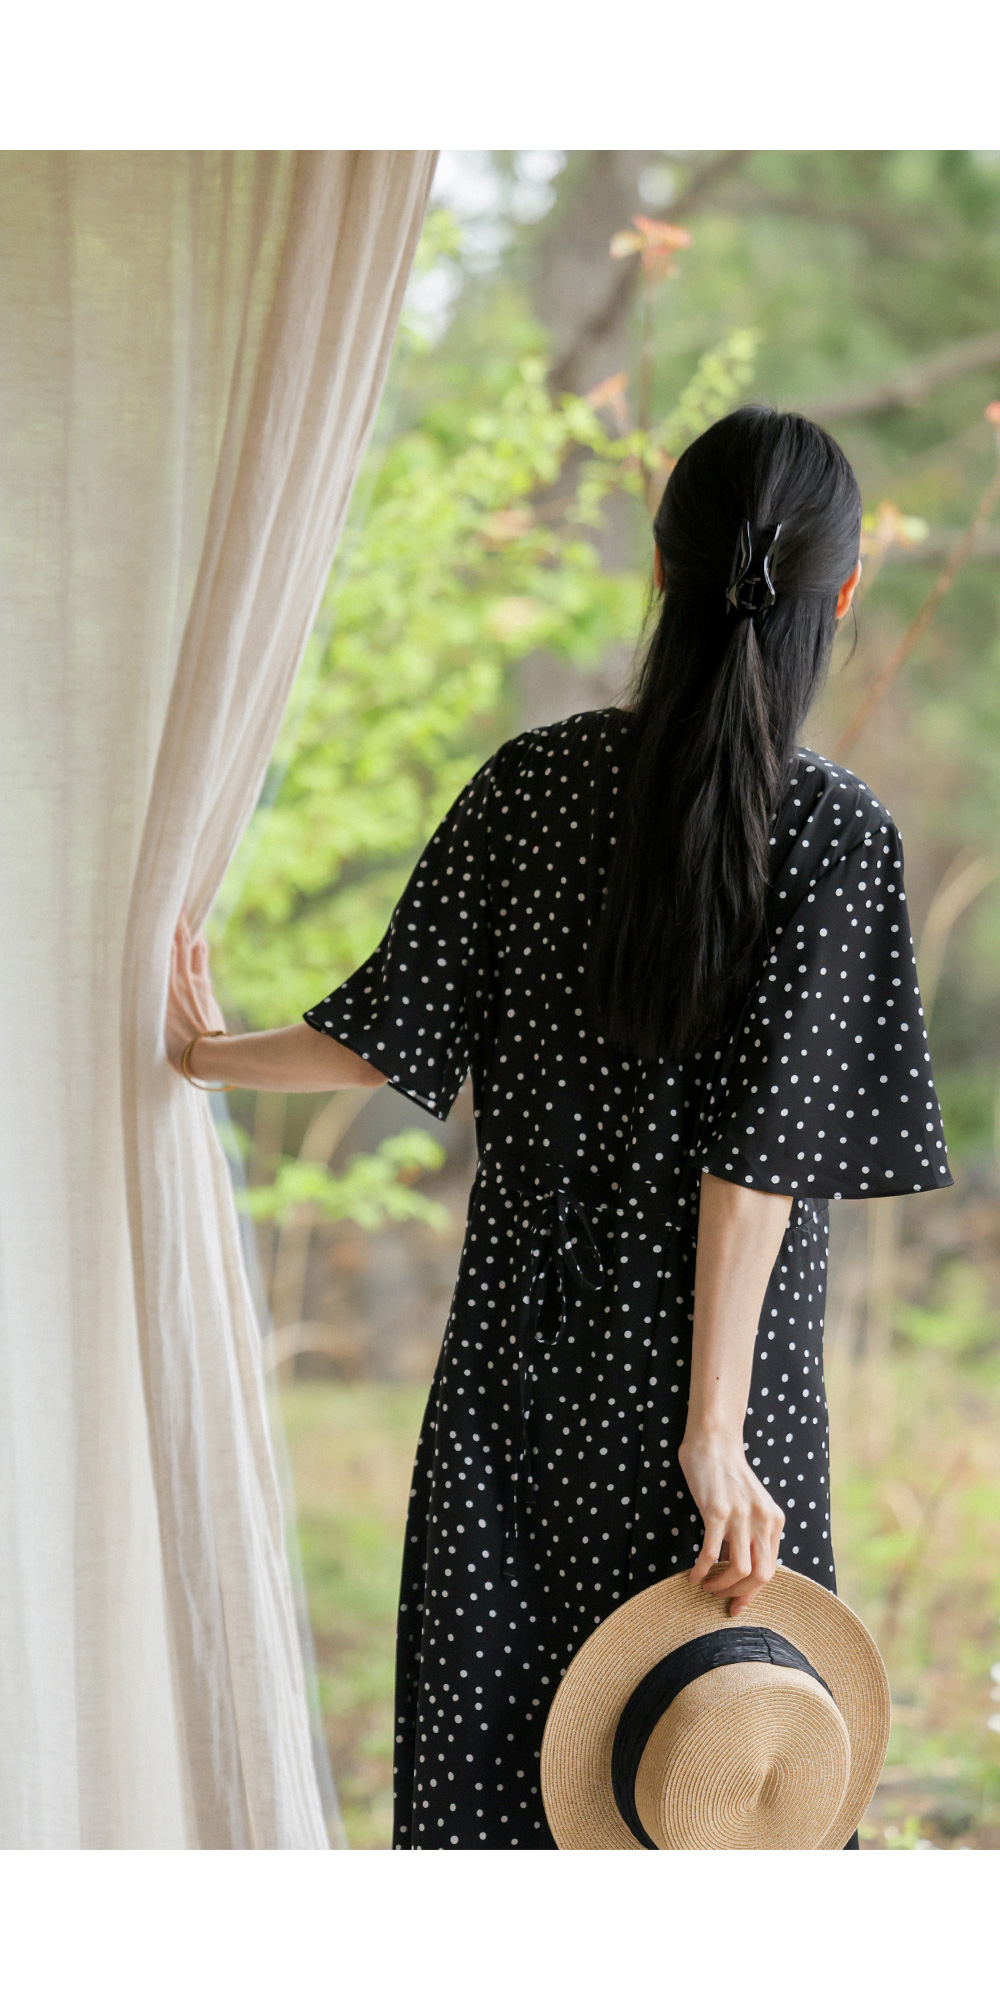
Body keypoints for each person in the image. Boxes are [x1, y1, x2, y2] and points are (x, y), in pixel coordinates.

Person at [167, 406, 951, 1850]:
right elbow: (756, 1164)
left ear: (658, 570)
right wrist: (715, 1433)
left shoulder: (531, 786)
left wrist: (204, 1051)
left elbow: (379, 1039)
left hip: (518, 1380)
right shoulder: (838, 833)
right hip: (724, 1403)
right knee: (716, 1805)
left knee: (502, 1786)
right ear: (844, 593)